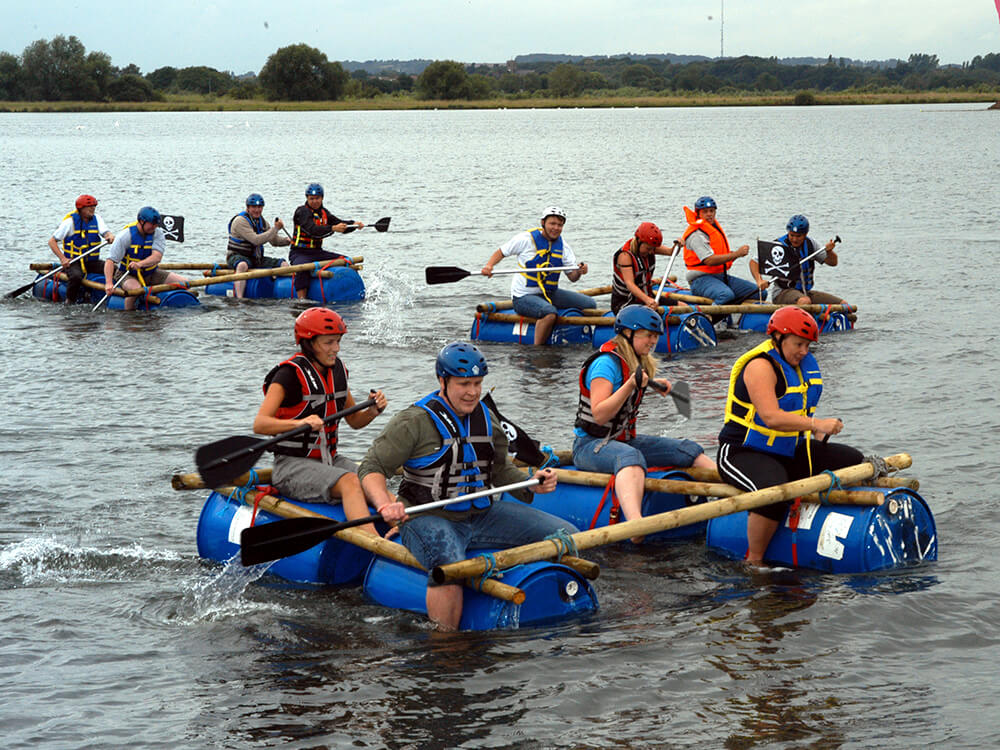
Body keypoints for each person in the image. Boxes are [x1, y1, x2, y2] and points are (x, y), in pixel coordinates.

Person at [359, 342, 575, 630]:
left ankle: (561, 609)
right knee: (450, 566)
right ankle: (447, 647)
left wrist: (531, 484)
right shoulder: (413, 422)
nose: (473, 392)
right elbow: (371, 468)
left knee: (567, 537)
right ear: (442, 381)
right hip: (427, 518)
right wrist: (384, 504)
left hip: (482, 516)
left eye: (477, 383)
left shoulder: (487, 418)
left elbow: (499, 469)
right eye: (464, 384)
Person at [716, 307, 863, 565]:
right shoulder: (760, 365)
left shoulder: (800, 364)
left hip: (785, 450)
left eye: (807, 345)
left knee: (853, 459)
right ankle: (755, 562)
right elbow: (771, 417)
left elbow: (796, 411)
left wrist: (816, 430)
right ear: (778, 338)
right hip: (742, 452)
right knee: (772, 492)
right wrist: (816, 423)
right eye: (798, 344)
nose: (804, 351)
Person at [572, 305, 717, 543]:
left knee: (688, 450)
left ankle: (734, 497)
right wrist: (630, 385)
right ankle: (636, 527)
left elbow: (633, 383)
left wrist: (655, 384)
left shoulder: (636, 361)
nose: (653, 341)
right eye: (648, 335)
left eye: (656, 336)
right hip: (590, 445)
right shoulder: (605, 364)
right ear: (629, 333)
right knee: (631, 458)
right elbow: (599, 414)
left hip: (621, 440)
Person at [253, 307, 388, 536]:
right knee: (350, 482)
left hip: (329, 460)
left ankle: (405, 531)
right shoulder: (288, 375)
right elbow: (260, 424)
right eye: (328, 343)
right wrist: (299, 423)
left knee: (373, 481)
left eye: (338, 341)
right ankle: (376, 544)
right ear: (309, 343)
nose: (335, 349)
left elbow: (354, 421)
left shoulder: (337, 372)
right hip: (291, 467)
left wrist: (373, 410)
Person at [481, 206, 594, 346]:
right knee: (549, 313)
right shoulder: (525, 239)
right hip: (523, 296)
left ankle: (581, 337)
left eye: (560, 225)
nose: (556, 228)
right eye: (552, 223)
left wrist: (580, 271)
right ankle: (537, 349)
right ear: (543, 223)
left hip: (550, 293)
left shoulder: (563, 246)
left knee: (590, 304)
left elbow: (572, 277)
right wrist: (489, 266)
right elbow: (501, 252)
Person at [682, 196, 765, 305]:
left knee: (760, 293)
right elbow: (709, 260)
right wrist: (737, 254)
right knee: (726, 295)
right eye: (705, 212)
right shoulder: (696, 235)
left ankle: (741, 319)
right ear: (698, 213)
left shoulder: (713, 228)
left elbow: (721, 257)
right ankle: (710, 318)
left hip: (720, 276)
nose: (709, 214)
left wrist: (734, 255)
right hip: (700, 280)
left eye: (711, 211)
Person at [102, 207, 189, 311]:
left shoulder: (158, 233)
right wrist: (108, 283)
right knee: (136, 290)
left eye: (156, 224)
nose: (154, 227)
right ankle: (128, 314)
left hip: (150, 272)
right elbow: (110, 261)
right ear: (141, 221)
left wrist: (140, 264)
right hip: (126, 274)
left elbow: (157, 257)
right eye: (152, 224)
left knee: (185, 282)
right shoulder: (125, 236)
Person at [290, 183, 365, 300]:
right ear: (307, 198)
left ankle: (357, 292)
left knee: (347, 261)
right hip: (300, 253)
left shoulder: (324, 213)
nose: (315, 201)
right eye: (311, 199)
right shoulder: (302, 212)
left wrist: (355, 224)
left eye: (317, 198)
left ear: (322, 198)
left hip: (317, 252)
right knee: (303, 268)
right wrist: (332, 228)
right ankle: (301, 300)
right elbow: (312, 230)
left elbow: (339, 223)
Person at [750, 214, 843, 305]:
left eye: (798, 236)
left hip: (805, 292)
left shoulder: (811, 244)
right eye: (792, 235)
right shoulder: (778, 246)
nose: (794, 239)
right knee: (805, 301)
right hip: (782, 292)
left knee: (844, 305)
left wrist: (829, 252)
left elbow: (833, 262)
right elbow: (754, 262)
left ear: (805, 234)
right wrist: (759, 280)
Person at [48, 194, 115, 303]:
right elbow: (52, 242)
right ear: (81, 209)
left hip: (91, 261)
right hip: (74, 261)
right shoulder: (70, 222)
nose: (92, 209)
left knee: (113, 269)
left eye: (94, 207)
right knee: (76, 277)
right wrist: (63, 259)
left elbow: (105, 232)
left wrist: (109, 235)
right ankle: (69, 301)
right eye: (89, 207)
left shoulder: (97, 219)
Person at [225, 193, 290, 299]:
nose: (257, 210)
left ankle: (279, 294)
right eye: (254, 207)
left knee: (283, 264)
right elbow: (256, 240)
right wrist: (276, 229)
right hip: (237, 256)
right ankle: (240, 299)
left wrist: (287, 241)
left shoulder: (262, 222)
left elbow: (274, 240)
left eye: (259, 207)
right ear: (248, 208)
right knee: (242, 265)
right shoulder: (240, 221)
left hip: (256, 259)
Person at [610, 221, 680, 313]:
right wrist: (648, 300)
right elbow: (630, 284)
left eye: (653, 249)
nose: (651, 252)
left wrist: (678, 245)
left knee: (682, 306)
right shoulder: (624, 256)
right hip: (625, 302)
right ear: (639, 241)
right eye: (648, 249)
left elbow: (671, 252)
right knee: (652, 314)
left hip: (646, 296)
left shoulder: (650, 247)